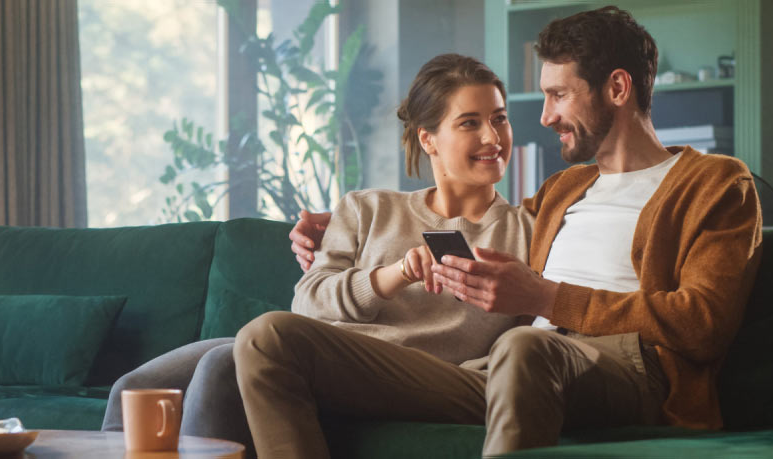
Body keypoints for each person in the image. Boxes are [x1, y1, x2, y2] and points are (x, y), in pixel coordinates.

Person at [249, 6, 763, 458]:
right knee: (269, 337)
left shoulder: (715, 184)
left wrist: (546, 297)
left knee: (523, 347)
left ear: (618, 88)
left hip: (627, 370)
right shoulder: (562, 192)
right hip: (504, 372)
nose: (544, 116)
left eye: (559, 95)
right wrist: (328, 228)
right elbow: (478, 213)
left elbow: (703, 322)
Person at [102, 54, 534, 457]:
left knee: (221, 365)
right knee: (132, 389)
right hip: (313, 346)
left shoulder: (528, 229)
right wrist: (394, 274)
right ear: (429, 139)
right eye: (470, 123)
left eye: (499, 119)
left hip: (410, 373)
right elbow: (307, 301)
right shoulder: (367, 208)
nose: (492, 137)